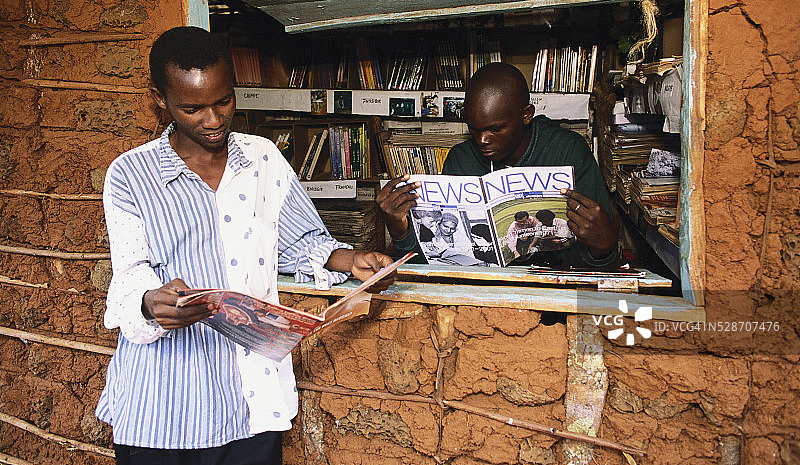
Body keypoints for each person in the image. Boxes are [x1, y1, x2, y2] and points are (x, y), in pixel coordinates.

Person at [96, 26, 395, 465]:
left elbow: (302, 240)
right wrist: (149, 301)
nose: (214, 120)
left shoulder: (263, 158)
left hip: (251, 397)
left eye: (223, 101)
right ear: (160, 99)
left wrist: (352, 259)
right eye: (193, 108)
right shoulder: (130, 176)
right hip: (164, 403)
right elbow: (130, 273)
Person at [377, 62, 618, 269]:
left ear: (526, 115)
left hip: (555, 290)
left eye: (495, 128)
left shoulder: (568, 151)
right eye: (474, 128)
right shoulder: (461, 160)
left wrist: (604, 247)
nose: (482, 140)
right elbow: (435, 264)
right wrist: (400, 232)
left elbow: (603, 263)